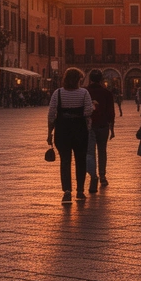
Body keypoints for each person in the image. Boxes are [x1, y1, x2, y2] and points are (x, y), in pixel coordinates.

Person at [47, 68, 93, 202]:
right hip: (80, 130)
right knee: (80, 160)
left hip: (62, 130)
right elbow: (88, 111)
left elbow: (51, 114)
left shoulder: (58, 93)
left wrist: (49, 133)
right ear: (78, 79)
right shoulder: (84, 93)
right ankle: (80, 191)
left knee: (65, 161)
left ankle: (67, 191)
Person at [85, 69, 116, 193]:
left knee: (90, 152)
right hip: (103, 126)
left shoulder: (85, 92)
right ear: (101, 79)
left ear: (90, 79)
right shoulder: (107, 93)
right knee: (102, 151)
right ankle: (102, 176)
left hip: (89, 126)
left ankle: (93, 176)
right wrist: (112, 129)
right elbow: (111, 113)